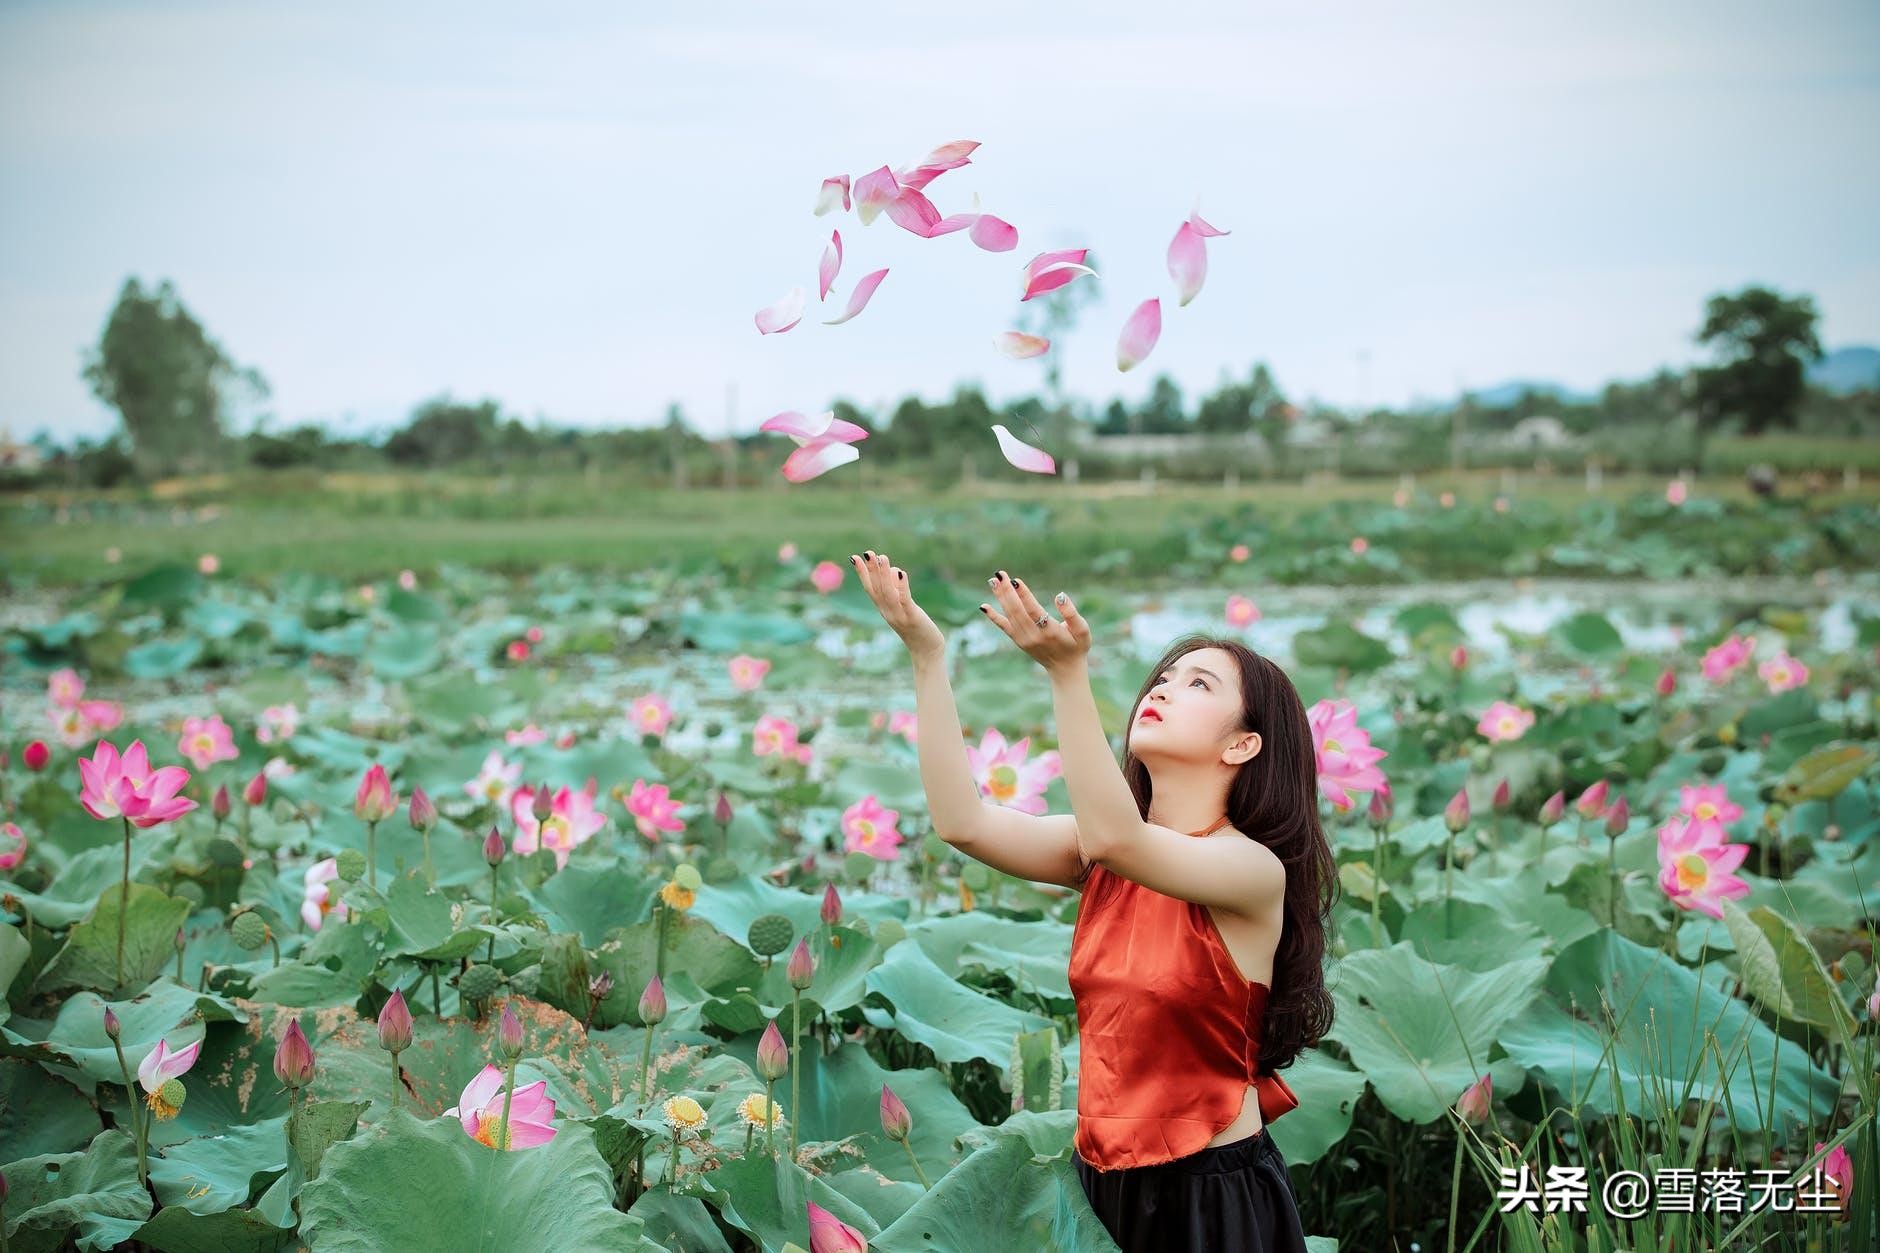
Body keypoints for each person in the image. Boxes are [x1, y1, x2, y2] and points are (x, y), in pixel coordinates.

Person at [851, 550, 1336, 1252]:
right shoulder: (1101, 850)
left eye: (1198, 683)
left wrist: (1066, 671)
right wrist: (928, 655)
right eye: (1162, 677)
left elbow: (1119, 839)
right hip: (1101, 1183)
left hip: (1211, 1193)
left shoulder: (1249, 869)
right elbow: (964, 822)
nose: (1161, 690)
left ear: (1243, 744)